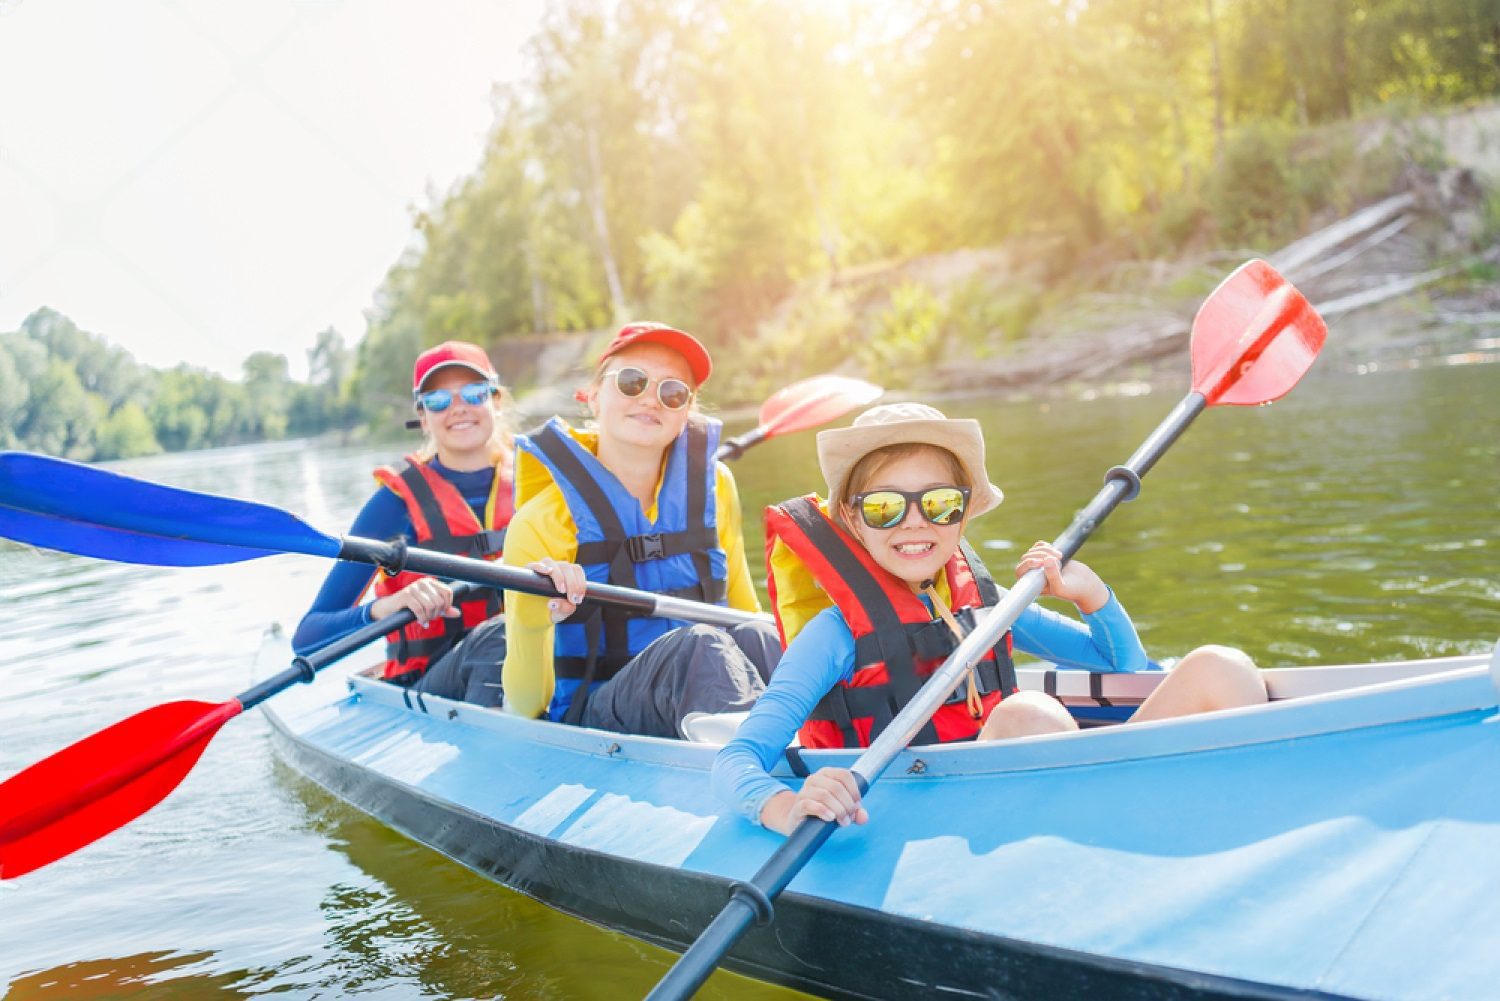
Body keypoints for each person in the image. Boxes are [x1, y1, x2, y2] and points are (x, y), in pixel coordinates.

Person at [713, 403, 1267, 836]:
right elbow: (738, 759)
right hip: (949, 819)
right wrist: (785, 807)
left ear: (963, 513)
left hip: (1045, 793)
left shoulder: (989, 604)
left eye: (939, 505)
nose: (914, 524)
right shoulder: (834, 636)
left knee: (1221, 668)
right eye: (885, 506)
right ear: (854, 521)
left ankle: (1243, 825)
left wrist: (1093, 596)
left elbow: (1125, 668)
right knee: (1028, 715)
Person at [499, 321, 779, 737]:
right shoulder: (541, 523)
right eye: (632, 382)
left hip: (711, 690)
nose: (651, 399)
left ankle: (829, 747)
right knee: (697, 643)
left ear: (687, 411)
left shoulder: (717, 485)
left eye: (673, 392)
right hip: (599, 715)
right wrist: (537, 614)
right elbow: (524, 706)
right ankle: (762, 772)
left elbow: (743, 612)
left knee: (761, 634)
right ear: (593, 397)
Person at [292, 340, 515, 705]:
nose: (458, 408)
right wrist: (387, 607)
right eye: (439, 400)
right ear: (423, 417)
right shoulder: (393, 505)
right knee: (498, 637)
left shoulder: (537, 481)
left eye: (474, 393)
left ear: (496, 401)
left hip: (531, 665)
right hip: (432, 687)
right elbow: (307, 636)